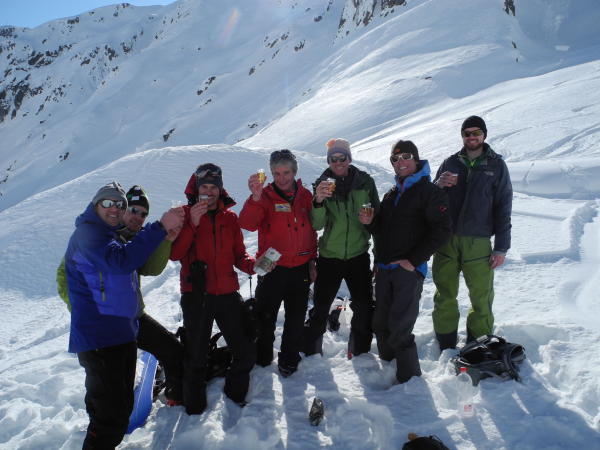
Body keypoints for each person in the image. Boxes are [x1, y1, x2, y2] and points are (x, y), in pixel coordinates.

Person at [64, 181, 183, 449]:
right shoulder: (89, 234)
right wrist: (159, 227)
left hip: (120, 333)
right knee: (110, 419)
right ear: (95, 205)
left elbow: (137, 264)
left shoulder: (110, 236)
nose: (114, 208)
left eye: (119, 204)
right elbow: (121, 262)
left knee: (116, 411)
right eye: (108, 202)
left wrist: (163, 236)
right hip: (100, 338)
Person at [170, 163, 256, 414]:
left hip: (227, 293)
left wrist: (254, 265)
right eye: (204, 187)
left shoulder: (230, 218)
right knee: (196, 357)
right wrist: (193, 223)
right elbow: (175, 254)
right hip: (196, 296)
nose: (209, 192)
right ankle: (194, 408)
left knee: (244, 351)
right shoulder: (184, 214)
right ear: (196, 189)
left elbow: (239, 255)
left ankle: (234, 397)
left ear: (220, 189)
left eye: (213, 187)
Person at [364, 141, 451, 383]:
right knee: (380, 323)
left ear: (416, 159)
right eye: (395, 159)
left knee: (400, 327)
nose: (400, 162)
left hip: (407, 271)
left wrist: (413, 261)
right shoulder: (392, 193)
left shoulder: (430, 192)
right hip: (384, 268)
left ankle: (409, 383)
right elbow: (382, 230)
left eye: (405, 156)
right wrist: (370, 223)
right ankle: (389, 367)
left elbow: (442, 231)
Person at [432, 116, 513, 351]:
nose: (471, 137)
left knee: (481, 297)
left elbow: (503, 206)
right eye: (467, 133)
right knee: (444, 294)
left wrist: (501, 247)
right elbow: (431, 200)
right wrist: (438, 185)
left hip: (478, 241)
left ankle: (478, 344)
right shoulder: (450, 163)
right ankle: (445, 342)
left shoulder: (496, 165)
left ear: (484, 135)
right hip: (447, 240)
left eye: (476, 132)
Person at [239, 150, 317, 377]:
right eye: (276, 173)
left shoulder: (305, 196)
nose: (281, 178)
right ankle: (263, 357)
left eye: (286, 173)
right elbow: (247, 223)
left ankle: (289, 359)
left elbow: (311, 231)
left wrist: (313, 259)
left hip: (300, 267)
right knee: (265, 317)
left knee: (296, 318)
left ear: (294, 172)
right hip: (272, 266)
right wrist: (255, 198)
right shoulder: (264, 195)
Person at [303, 138, 380, 358]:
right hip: (330, 256)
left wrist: (372, 226)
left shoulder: (365, 182)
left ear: (349, 158)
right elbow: (317, 225)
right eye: (333, 159)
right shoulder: (322, 184)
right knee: (320, 307)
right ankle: (311, 353)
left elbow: (378, 218)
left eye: (342, 157)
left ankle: (360, 351)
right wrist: (318, 201)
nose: (338, 162)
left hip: (358, 254)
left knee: (363, 306)